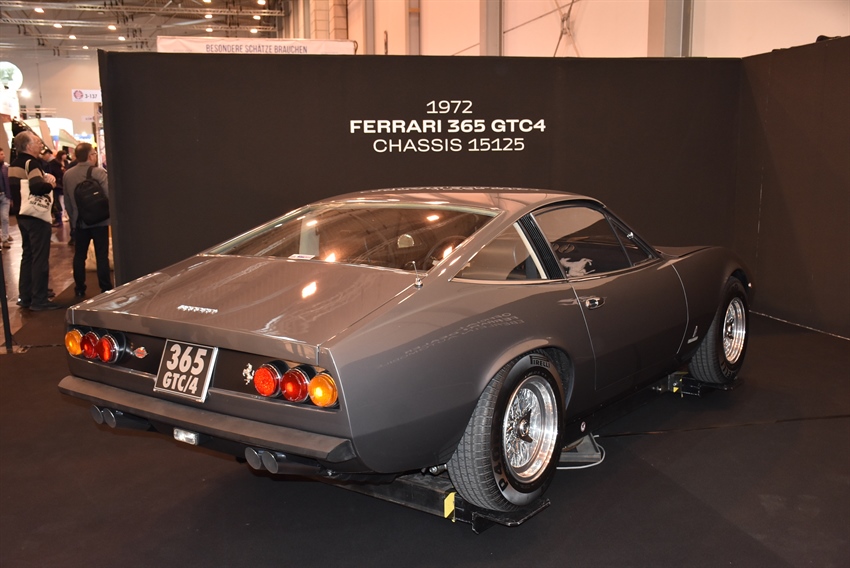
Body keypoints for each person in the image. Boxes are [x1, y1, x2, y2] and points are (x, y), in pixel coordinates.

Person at [9, 131, 59, 310]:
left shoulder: (14, 164)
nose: (40, 145)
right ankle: (39, 299)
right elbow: (37, 187)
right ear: (29, 146)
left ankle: (26, 296)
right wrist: (50, 184)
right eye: (37, 141)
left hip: (22, 214)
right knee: (40, 257)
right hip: (36, 216)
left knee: (28, 255)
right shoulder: (32, 163)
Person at [63, 142, 112, 297]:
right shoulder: (99, 173)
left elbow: (67, 201)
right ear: (90, 156)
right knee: (101, 255)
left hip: (80, 222)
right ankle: (105, 288)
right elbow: (108, 195)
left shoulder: (68, 175)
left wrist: (73, 220)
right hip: (100, 221)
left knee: (79, 256)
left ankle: (79, 288)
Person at [47, 150, 68, 225]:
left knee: (62, 200)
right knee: (58, 200)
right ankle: (60, 216)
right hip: (57, 184)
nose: (65, 156)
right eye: (63, 154)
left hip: (63, 183)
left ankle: (63, 215)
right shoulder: (54, 163)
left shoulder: (66, 162)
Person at [0, 148, 11, 248]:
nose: (3, 156)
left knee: (5, 218)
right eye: (1, 154)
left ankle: (5, 238)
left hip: (4, 196)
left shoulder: (6, 168)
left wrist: (10, 196)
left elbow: (8, 183)